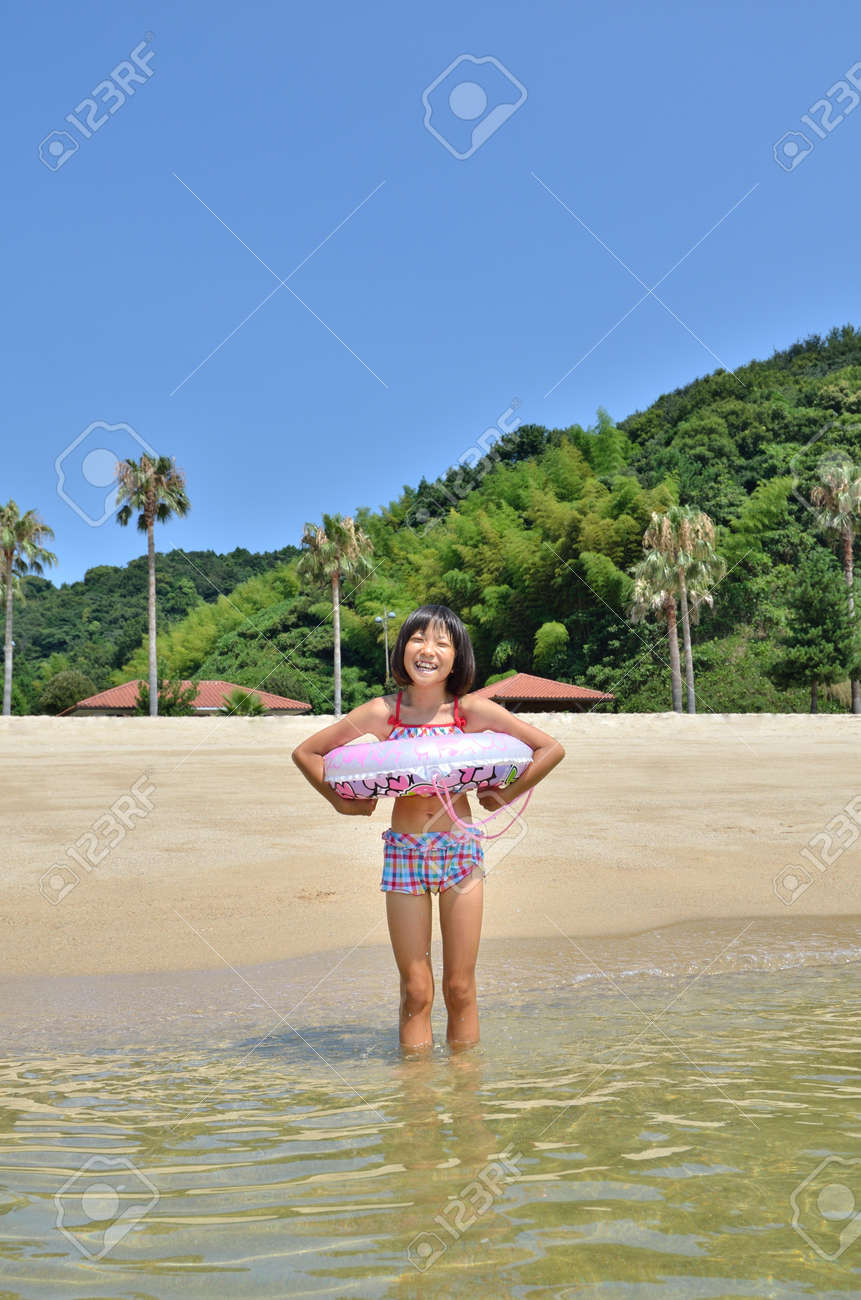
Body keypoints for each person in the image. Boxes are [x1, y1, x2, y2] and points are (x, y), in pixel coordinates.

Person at [291, 604, 565, 1053]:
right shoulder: (383, 713)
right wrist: (343, 803)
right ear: (402, 649)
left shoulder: (469, 711)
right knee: (416, 988)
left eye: (442, 642)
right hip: (405, 854)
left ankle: (464, 1098)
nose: (428, 650)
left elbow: (549, 748)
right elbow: (307, 752)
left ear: (457, 658)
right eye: (418, 638)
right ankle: (416, 1105)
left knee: (460, 987)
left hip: (459, 853)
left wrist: (503, 795)